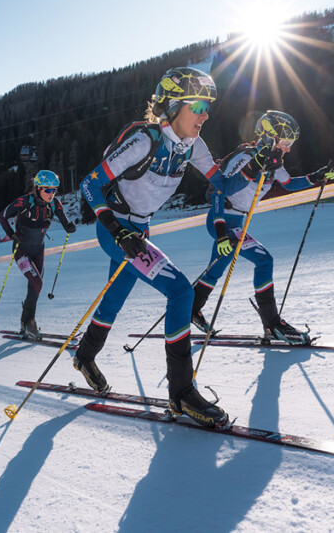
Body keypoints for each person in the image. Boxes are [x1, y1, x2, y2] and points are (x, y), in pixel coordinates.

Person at [78, 67, 229, 428]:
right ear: (174, 107)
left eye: (208, 106)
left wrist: (258, 164)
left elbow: (222, 180)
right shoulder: (145, 141)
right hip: (116, 230)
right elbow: (89, 185)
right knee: (180, 292)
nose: (206, 114)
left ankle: (84, 356)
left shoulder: (193, 145)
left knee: (115, 296)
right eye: (198, 106)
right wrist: (117, 231)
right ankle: (181, 393)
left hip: (139, 229)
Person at [193, 110, 334, 343]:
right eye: (287, 142)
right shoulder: (245, 157)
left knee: (217, 267)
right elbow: (219, 190)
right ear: (271, 138)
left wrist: (316, 177)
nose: (289, 148)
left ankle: (192, 308)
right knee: (264, 259)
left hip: (237, 221)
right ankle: (271, 323)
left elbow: (288, 184)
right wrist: (220, 233)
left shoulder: (274, 163)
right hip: (222, 220)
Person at [0, 170, 77, 340]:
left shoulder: (55, 204)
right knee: (37, 282)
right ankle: (29, 322)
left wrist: (69, 226)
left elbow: (65, 221)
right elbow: (2, 216)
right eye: (48, 190)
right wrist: (12, 234)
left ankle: (25, 323)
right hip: (21, 251)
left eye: (54, 190)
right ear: (38, 188)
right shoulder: (24, 201)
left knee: (34, 287)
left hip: (38, 250)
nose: (52, 194)